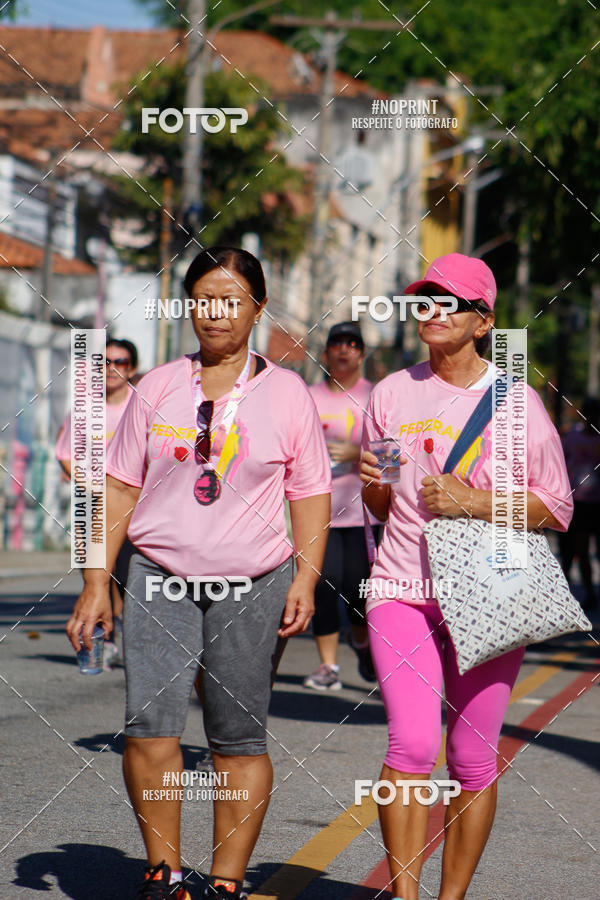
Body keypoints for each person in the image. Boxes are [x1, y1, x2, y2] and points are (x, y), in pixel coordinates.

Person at [66, 246, 331, 900]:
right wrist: (96, 583)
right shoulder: (156, 387)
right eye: (205, 299)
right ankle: (164, 873)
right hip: (160, 576)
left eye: (232, 299)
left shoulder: (287, 393)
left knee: (236, 736)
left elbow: (311, 492)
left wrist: (306, 576)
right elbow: (119, 490)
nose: (216, 313)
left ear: (258, 309)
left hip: (255, 582)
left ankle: (227, 882)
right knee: (148, 727)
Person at [360, 253, 573, 900]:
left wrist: (475, 501)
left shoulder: (518, 403)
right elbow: (384, 502)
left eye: (449, 302)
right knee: (414, 746)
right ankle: (406, 895)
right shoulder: (392, 392)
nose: (432, 311)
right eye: (425, 299)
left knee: (474, 759)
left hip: (491, 594)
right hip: (402, 591)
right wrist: (375, 488)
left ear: (484, 321)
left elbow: (556, 507)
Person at [304, 322, 378, 690]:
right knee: (322, 585)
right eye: (337, 343)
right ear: (325, 353)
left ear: (362, 354)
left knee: (360, 592)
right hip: (317, 515)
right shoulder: (307, 397)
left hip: (367, 514)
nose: (345, 349)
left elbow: (396, 459)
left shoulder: (378, 396)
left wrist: (358, 453)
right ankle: (328, 666)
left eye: (353, 344)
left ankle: (363, 644)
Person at [57, 338, 138, 667]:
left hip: (134, 507)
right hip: (91, 506)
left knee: (127, 574)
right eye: (105, 362)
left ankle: (121, 633)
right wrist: (94, 485)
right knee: (94, 575)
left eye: (120, 362)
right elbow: (65, 455)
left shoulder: (141, 404)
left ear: (131, 368)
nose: (112, 368)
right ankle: (106, 640)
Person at [559, 396, 600, 610]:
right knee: (578, 549)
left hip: (597, 503)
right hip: (577, 501)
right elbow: (560, 460)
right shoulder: (572, 437)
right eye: (589, 413)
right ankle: (587, 592)